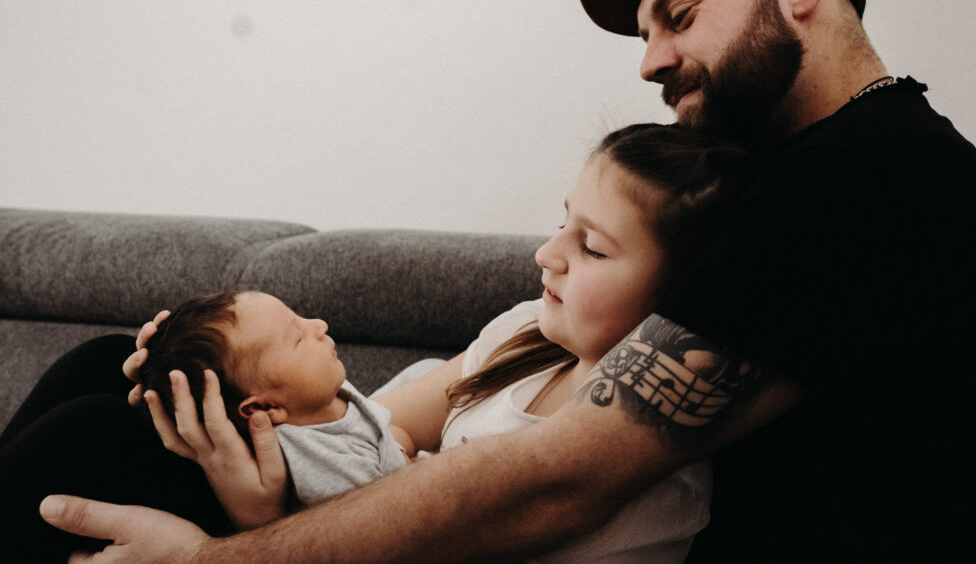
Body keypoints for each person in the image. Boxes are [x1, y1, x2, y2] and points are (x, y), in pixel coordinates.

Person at [29, 0, 976, 561]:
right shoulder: (822, 172)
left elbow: (557, 476)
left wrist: (226, 557)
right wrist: (219, 353)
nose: (647, 63)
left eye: (677, 16)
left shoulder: (869, 177)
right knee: (104, 367)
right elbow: (442, 406)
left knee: (95, 436)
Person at [4, 123, 753, 562]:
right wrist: (213, 377)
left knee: (93, 432)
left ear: (678, 299)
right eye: (562, 221)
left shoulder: (645, 482)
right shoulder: (526, 332)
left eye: (590, 246)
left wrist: (252, 525)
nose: (546, 253)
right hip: (311, 515)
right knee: (109, 362)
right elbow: (370, 422)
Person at [138, 290, 414, 514]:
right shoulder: (326, 465)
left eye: (299, 317)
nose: (319, 325)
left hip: (393, 444)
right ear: (264, 408)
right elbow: (394, 515)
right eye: (297, 338)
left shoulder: (314, 392)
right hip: (407, 487)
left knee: (426, 367)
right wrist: (407, 459)